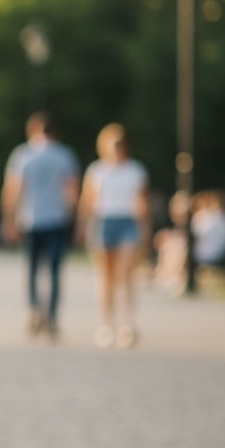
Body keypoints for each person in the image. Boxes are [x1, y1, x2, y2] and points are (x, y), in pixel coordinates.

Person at [0, 112, 80, 338]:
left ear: (32, 131)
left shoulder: (22, 155)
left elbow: (13, 190)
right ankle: (52, 317)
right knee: (54, 271)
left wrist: (8, 219)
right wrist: (73, 217)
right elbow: (72, 191)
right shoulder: (64, 155)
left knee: (33, 270)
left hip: (30, 219)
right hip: (56, 219)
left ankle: (35, 310)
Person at [77, 123, 150, 348]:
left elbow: (141, 203)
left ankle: (128, 324)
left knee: (126, 274)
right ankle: (106, 324)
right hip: (103, 221)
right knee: (105, 277)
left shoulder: (135, 171)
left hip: (127, 221)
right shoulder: (96, 170)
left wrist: (145, 229)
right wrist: (81, 226)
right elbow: (87, 202)